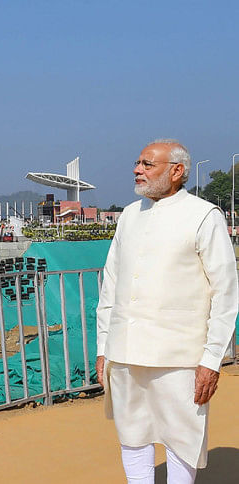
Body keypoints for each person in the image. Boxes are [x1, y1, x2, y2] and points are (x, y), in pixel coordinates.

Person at [96, 139, 238, 483]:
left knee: (182, 439)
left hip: (180, 356)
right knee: (132, 436)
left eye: (148, 164)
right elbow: (110, 286)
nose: (137, 170)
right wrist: (104, 347)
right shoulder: (129, 216)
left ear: (176, 171)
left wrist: (211, 360)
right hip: (125, 351)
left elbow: (225, 293)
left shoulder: (203, 215)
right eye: (138, 163)